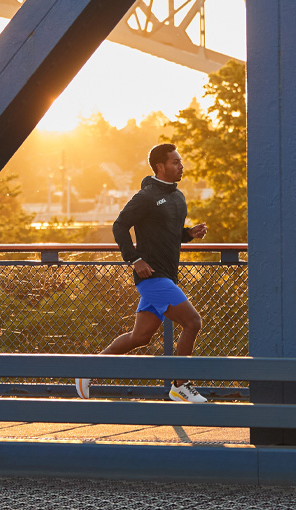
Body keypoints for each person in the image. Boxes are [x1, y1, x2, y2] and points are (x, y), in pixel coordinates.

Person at [76, 143, 209, 402]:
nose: (181, 166)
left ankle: (88, 369)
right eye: (175, 162)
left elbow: (169, 233)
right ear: (160, 167)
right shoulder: (146, 196)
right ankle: (180, 385)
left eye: (180, 161)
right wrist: (134, 259)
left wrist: (189, 234)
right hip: (152, 277)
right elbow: (119, 226)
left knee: (140, 337)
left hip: (165, 276)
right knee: (193, 322)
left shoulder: (178, 197)